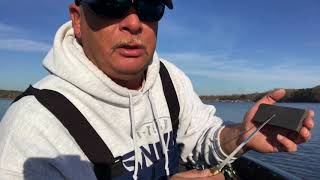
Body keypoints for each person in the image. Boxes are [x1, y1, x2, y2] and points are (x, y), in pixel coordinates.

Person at [0, 0, 314, 179]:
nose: (134, 22)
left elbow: (200, 137)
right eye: (111, 3)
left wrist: (240, 135)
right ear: (78, 19)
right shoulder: (31, 130)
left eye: (150, 5)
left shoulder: (169, 78)